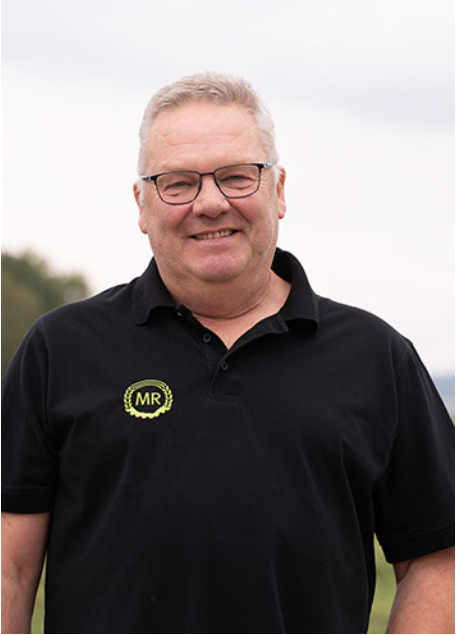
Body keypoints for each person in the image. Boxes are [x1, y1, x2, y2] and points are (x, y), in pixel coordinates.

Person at [2, 72, 454, 635]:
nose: (211, 203)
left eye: (237, 177)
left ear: (278, 190)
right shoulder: (61, 350)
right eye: (178, 183)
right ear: (142, 204)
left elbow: (437, 559)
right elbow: (10, 568)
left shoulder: (377, 358)